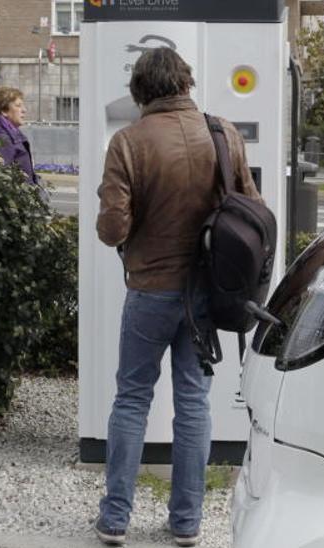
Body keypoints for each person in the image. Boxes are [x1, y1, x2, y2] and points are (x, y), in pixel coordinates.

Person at [93, 47, 259, 547]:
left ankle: (115, 520)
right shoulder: (223, 133)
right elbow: (252, 208)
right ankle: (185, 523)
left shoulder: (128, 141)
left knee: (131, 400)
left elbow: (110, 229)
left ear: (141, 90)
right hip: (206, 293)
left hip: (150, 290)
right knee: (193, 402)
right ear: (185, 83)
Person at [0, 87, 43, 192]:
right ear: (4, 110)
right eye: (18, 106)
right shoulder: (2, 139)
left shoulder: (7, 134)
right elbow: (2, 182)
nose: (24, 110)